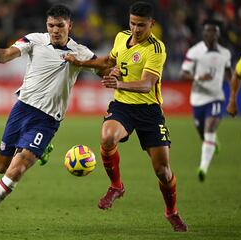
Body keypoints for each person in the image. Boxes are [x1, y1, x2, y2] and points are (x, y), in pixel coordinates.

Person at [0, 5, 97, 232]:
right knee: (1, 166)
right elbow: (4, 56)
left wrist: (103, 70)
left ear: (69, 26)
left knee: (15, 171)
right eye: (51, 25)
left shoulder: (80, 52)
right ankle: (43, 149)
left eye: (60, 26)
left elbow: (102, 66)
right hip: (21, 109)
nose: (55, 30)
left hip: (47, 119)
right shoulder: (34, 40)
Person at [64, 1, 187, 232]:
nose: (136, 29)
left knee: (162, 170)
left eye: (141, 25)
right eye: (132, 23)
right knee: (107, 137)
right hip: (122, 106)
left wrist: (118, 82)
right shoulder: (121, 37)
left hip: (149, 112)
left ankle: (172, 211)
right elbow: (109, 61)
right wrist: (79, 62)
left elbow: (148, 84)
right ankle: (116, 186)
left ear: (151, 24)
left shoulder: (156, 49)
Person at [180, 20, 232, 182]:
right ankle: (212, 141)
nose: (210, 34)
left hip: (216, 97)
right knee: (204, 134)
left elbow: (229, 73)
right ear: (203, 33)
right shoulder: (194, 52)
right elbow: (183, 75)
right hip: (197, 99)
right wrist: (197, 78)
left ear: (218, 33)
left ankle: (203, 168)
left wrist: (232, 94)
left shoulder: (225, 54)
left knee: (210, 128)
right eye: (207, 31)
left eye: (213, 31)